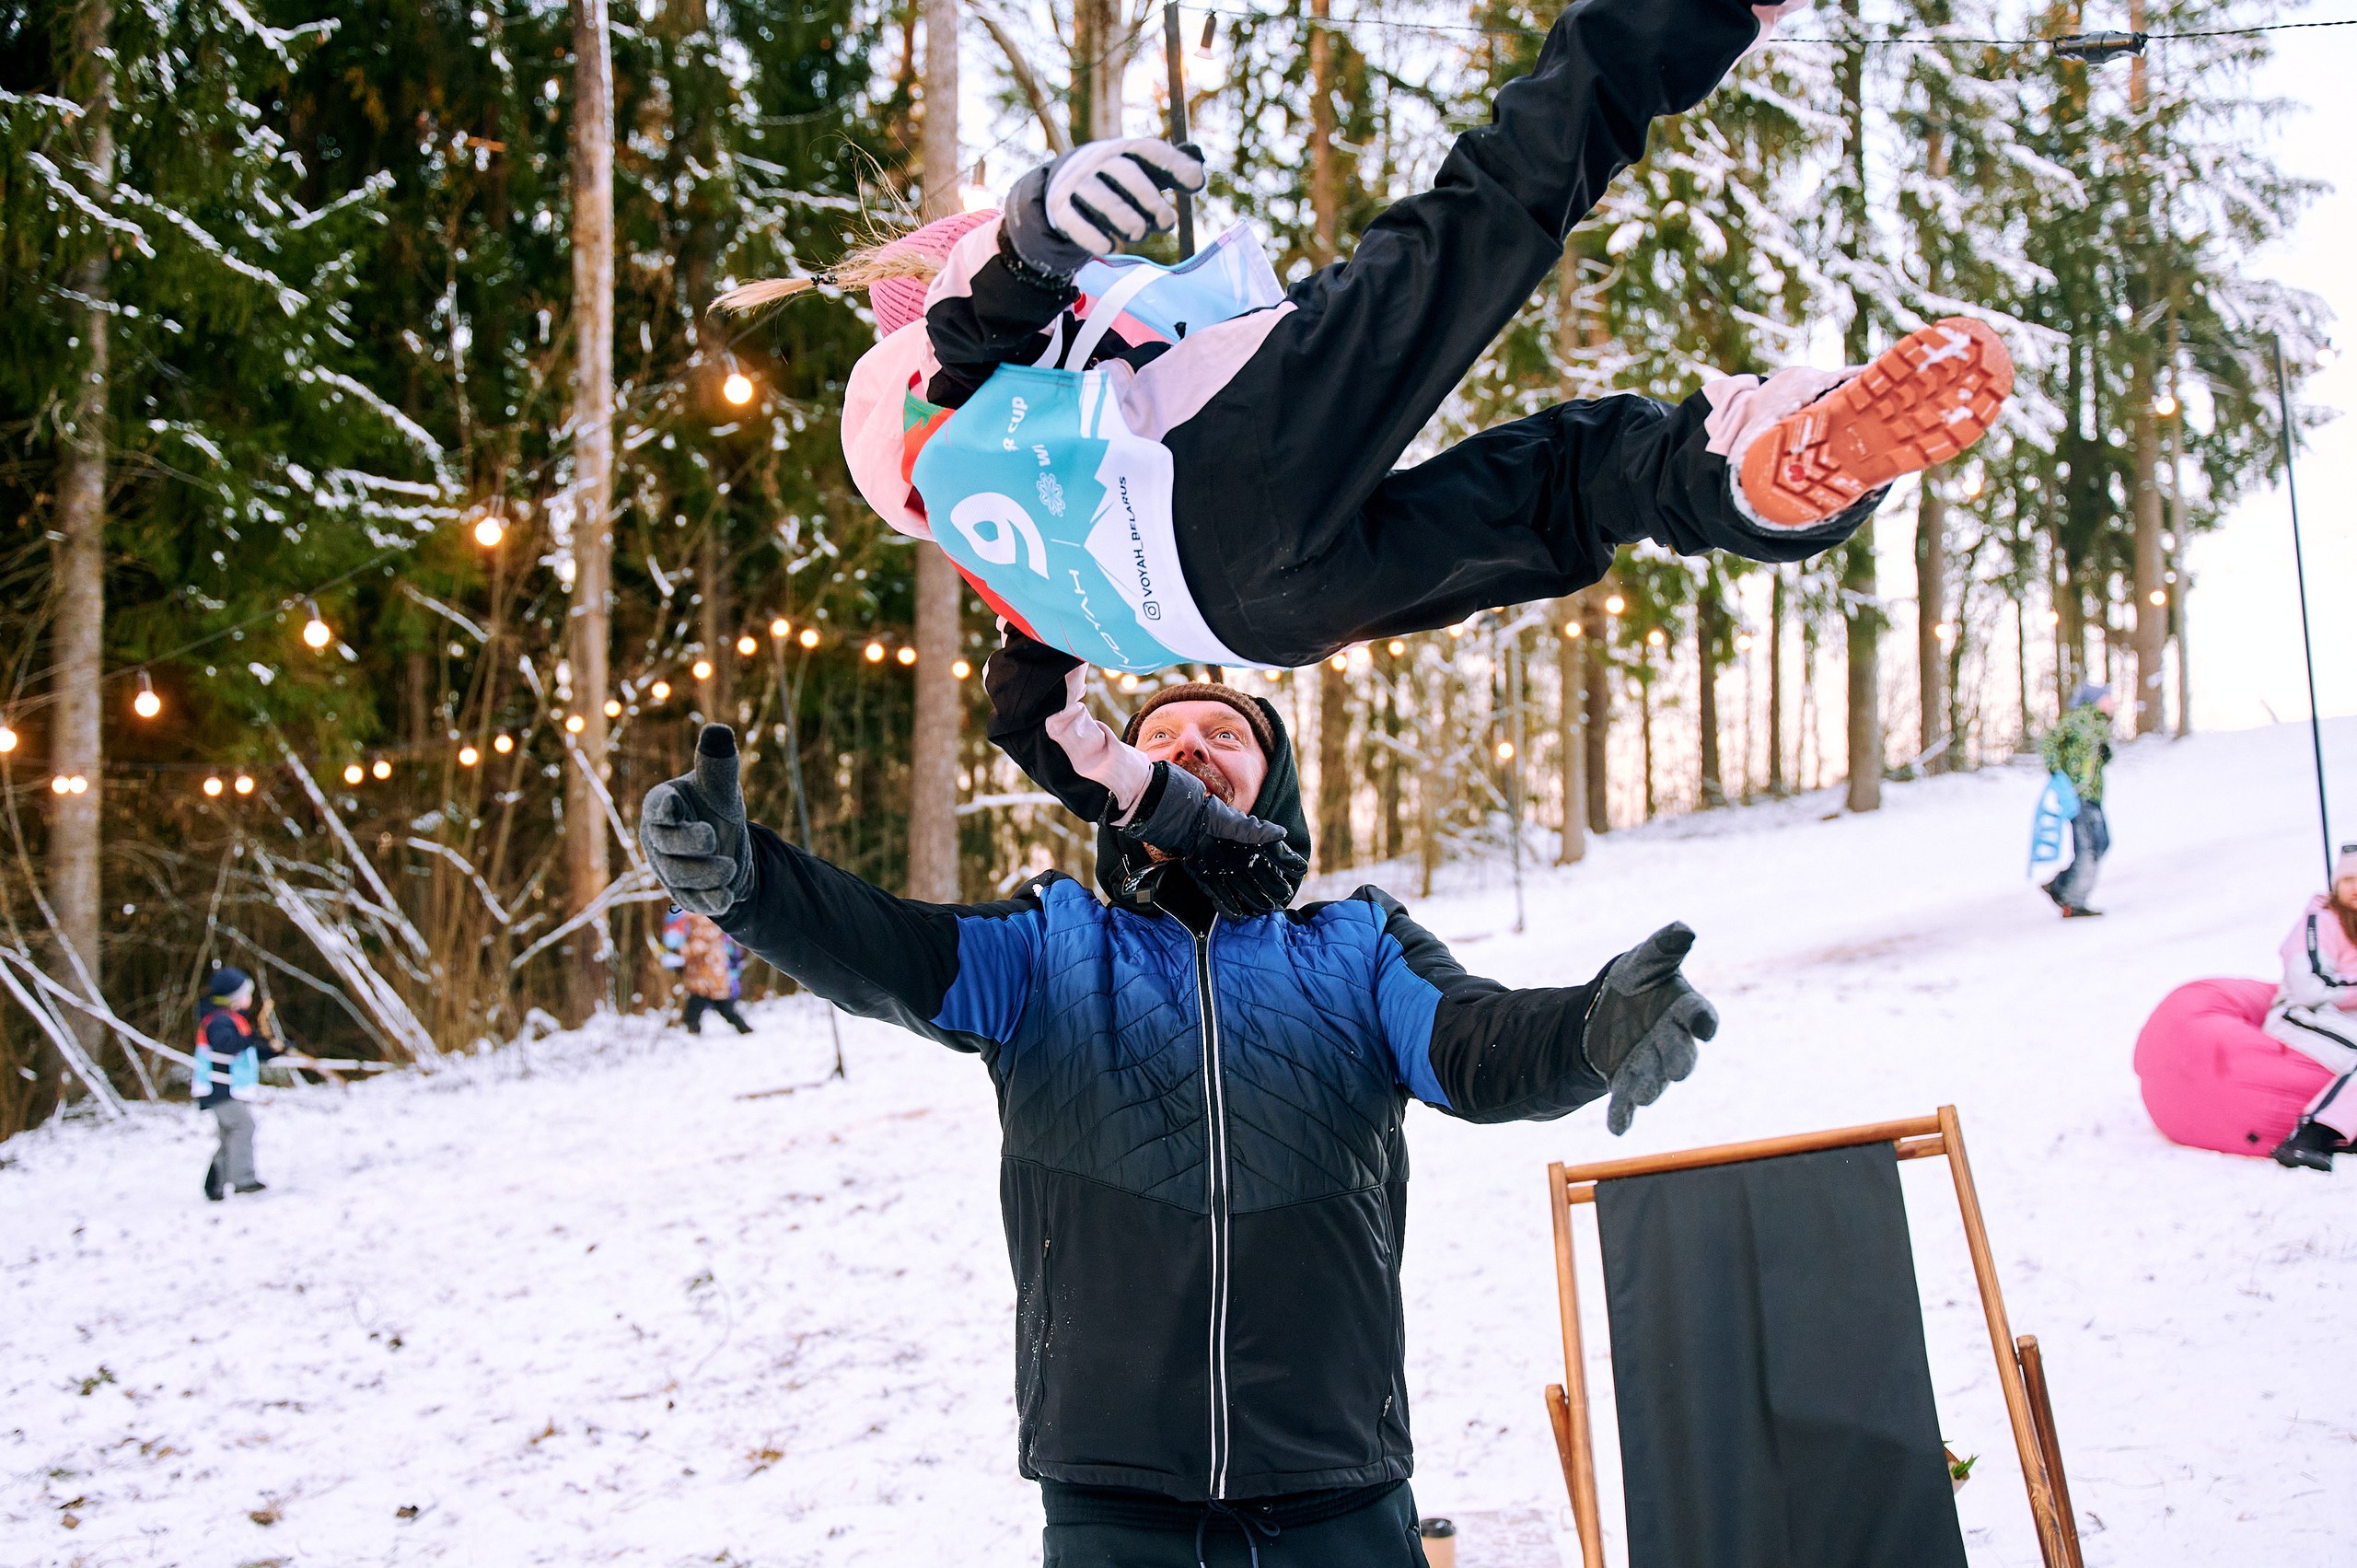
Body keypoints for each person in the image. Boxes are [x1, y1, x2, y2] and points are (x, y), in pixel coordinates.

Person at [638, 707, 1720, 1567]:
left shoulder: (1358, 945)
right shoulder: (1048, 944)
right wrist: (752, 884)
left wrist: (1591, 1027)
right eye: (1158, 736)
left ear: (1272, 786)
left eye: (1224, 734)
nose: (1188, 746)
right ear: (1115, 786)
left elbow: (1475, 1044)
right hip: (1114, 1492)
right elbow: (888, 948)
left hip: (1336, 1481)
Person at [720, 0, 2013, 679]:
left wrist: (1144, 794)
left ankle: (1744, 478)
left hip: (1260, 621)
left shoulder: (1011, 547)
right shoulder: (943, 371)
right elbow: (970, 345)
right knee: (1485, 215)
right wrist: (1030, 236)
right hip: (1205, 486)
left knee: (1567, 487)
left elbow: (1034, 705)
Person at [2265, 843, 2357, 1171]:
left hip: (2342, 1021)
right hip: (2301, 1015)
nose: (2356, 888)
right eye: (2349, 880)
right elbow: (2310, 987)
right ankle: (2310, 1137)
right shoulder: (2321, 921)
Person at [192, 967, 279, 1202]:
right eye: (247, 994)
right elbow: (227, 1045)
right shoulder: (219, 1020)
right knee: (243, 1126)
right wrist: (252, 1039)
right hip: (219, 1088)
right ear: (233, 998)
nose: (250, 999)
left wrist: (273, 1050)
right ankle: (243, 1180)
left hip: (225, 1089)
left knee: (229, 1134)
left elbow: (245, 1050)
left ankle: (214, 1185)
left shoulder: (230, 1019)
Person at [2038, 684, 2116, 918]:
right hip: (2078, 794)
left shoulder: (2098, 724)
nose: (2112, 702)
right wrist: (2056, 771)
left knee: (2101, 843)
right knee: (2089, 848)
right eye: (2107, 698)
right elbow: (2049, 742)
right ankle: (2073, 900)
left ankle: (2060, 885)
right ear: (2095, 700)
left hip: (2091, 795)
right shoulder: (2080, 719)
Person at [664, 908, 755, 1035]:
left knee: (704, 1000)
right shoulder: (702, 917)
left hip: (708, 970)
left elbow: (701, 945)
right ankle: (742, 1028)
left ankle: (693, 1029)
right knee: (714, 1000)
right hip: (706, 970)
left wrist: (680, 951)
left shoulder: (701, 920)